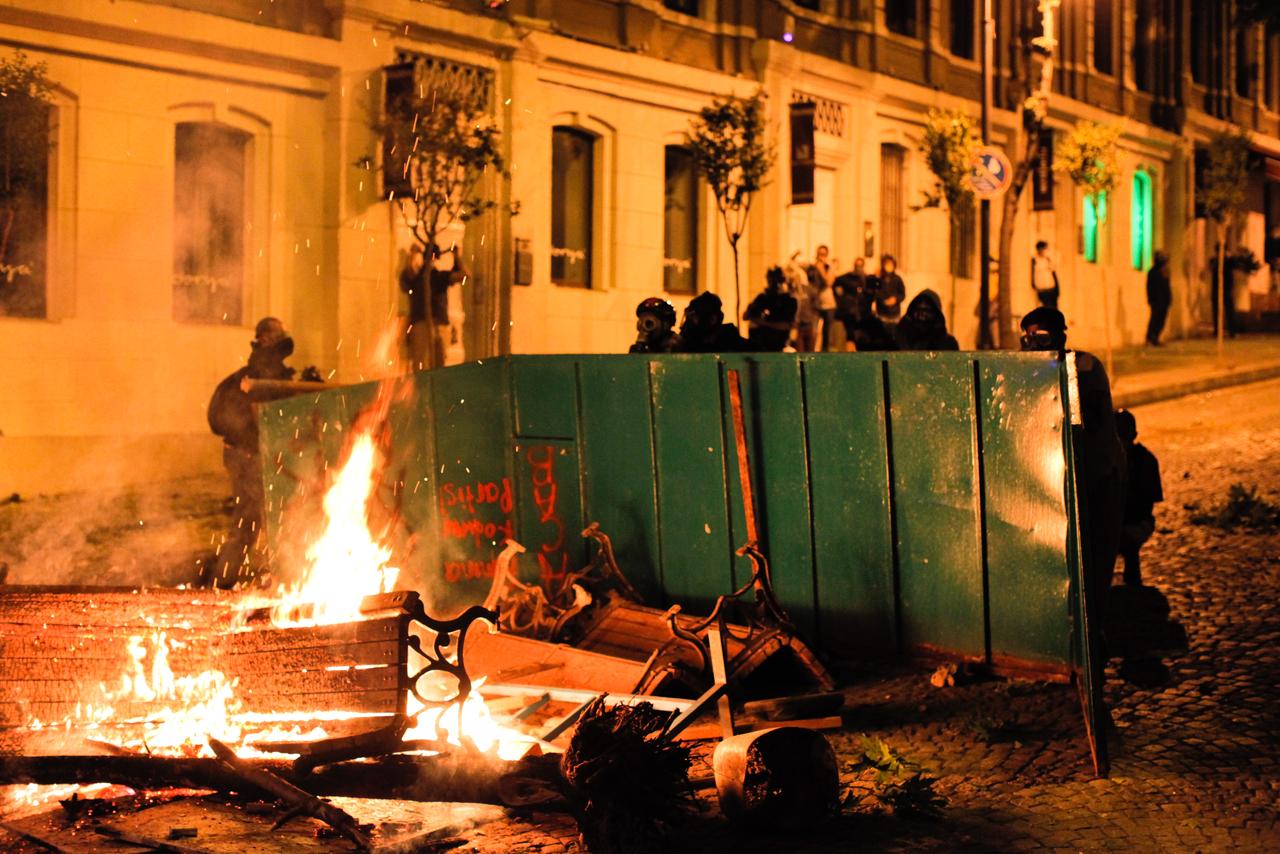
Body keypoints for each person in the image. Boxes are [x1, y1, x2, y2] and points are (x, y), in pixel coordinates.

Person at [1020, 307, 1126, 635]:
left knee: (1094, 558)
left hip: (1095, 475)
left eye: (1040, 338)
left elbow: (1090, 424)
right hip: (1049, 479)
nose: (1030, 345)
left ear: (1061, 337)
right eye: (1025, 338)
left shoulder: (1084, 367)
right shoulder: (1023, 370)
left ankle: (1093, 634)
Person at [206, 318, 315, 587]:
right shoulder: (251, 378)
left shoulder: (269, 374)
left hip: (263, 458)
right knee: (248, 524)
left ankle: (287, 582)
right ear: (263, 341)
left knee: (281, 520)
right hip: (248, 458)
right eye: (272, 340)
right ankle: (223, 585)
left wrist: (304, 387)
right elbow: (255, 415)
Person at [400, 243, 468, 370]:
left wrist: (413, 254)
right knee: (429, 363)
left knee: (427, 363)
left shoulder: (433, 276)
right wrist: (456, 256)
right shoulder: (430, 277)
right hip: (428, 324)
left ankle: (429, 387)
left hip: (433, 324)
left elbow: (464, 275)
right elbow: (464, 275)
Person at [1115, 410, 1163, 588]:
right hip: (1123, 521)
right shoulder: (1110, 459)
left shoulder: (1144, 461)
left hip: (1134, 521)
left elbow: (1146, 505)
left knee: (1127, 537)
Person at [743, 267, 798, 352]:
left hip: (779, 344)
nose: (773, 284)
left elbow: (786, 325)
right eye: (770, 280)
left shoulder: (790, 300)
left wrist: (763, 323)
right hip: (761, 344)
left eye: (776, 280)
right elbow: (746, 316)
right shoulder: (763, 297)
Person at [676, 291, 748, 353]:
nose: (690, 322)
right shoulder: (691, 341)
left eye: (695, 317)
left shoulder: (731, 344)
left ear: (712, 319)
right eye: (689, 317)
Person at [832, 258, 870, 351]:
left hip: (862, 311)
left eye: (860, 266)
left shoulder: (866, 278)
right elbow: (836, 283)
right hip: (849, 310)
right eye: (857, 266)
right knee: (850, 333)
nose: (859, 268)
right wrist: (840, 296)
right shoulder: (848, 277)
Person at [787, 252, 818, 352]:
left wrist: (815, 325)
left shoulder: (809, 289)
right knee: (799, 351)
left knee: (810, 352)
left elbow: (815, 307)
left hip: (809, 324)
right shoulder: (791, 292)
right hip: (797, 326)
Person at [808, 245, 837, 351]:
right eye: (820, 254)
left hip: (828, 304)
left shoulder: (829, 267)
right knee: (814, 331)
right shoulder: (812, 268)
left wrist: (822, 269)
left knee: (827, 332)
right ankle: (812, 351)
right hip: (815, 303)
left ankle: (826, 352)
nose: (821, 257)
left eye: (824, 254)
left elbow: (828, 282)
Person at [871, 254, 905, 330]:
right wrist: (883, 301)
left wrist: (895, 299)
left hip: (894, 313)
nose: (889, 267)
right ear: (883, 265)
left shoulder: (897, 279)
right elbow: (874, 293)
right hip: (881, 313)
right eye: (887, 264)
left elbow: (902, 294)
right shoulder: (878, 278)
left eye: (891, 265)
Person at [1145, 251, 1172, 346]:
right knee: (1154, 319)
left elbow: (1167, 287)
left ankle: (1155, 337)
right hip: (1156, 301)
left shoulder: (1165, 272)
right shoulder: (1152, 272)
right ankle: (1150, 337)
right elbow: (1149, 287)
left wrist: (1169, 299)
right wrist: (1150, 299)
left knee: (1161, 320)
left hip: (1164, 301)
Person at [1031, 240, 1060, 309]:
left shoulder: (1048, 259)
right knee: (1046, 309)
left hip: (1051, 288)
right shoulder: (1035, 260)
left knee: (1053, 309)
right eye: (1044, 248)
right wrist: (1034, 285)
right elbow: (1032, 273)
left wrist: (1057, 288)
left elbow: (1054, 272)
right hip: (1042, 289)